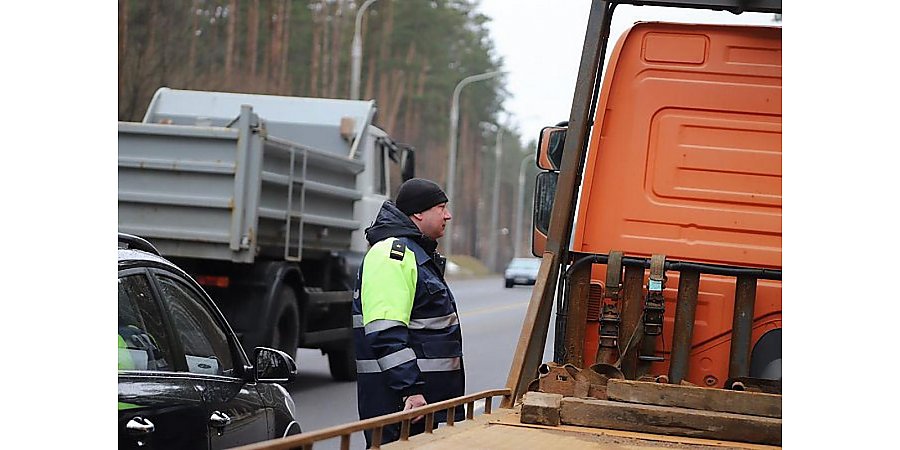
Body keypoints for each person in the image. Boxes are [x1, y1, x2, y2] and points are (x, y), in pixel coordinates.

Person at [351, 178, 465, 448]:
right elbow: (385, 331)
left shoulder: (415, 254)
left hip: (422, 404)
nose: (447, 215)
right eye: (441, 207)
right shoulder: (393, 255)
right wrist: (410, 390)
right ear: (418, 213)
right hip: (401, 406)